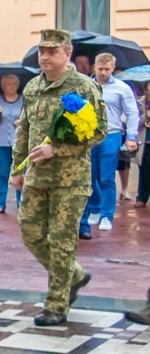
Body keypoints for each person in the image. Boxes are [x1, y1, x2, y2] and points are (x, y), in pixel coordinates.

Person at [13, 29, 105, 327]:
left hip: (71, 179)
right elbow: (23, 130)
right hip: (37, 177)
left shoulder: (83, 86)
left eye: (52, 51)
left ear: (67, 53)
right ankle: (75, 276)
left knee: (63, 240)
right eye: (42, 51)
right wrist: (17, 169)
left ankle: (56, 305)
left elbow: (99, 130)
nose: (45, 57)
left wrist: (59, 149)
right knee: (30, 232)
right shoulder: (33, 87)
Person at [80, 53, 139, 234]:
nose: (103, 72)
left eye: (107, 69)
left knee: (106, 177)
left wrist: (131, 137)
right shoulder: (85, 86)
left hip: (111, 135)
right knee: (90, 176)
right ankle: (95, 207)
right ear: (94, 67)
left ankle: (107, 214)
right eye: (100, 69)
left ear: (113, 68)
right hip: (89, 135)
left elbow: (131, 112)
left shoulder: (122, 88)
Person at [0, 74, 24, 214]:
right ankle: (0, 204)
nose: (11, 86)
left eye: (14, 84)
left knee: (20, 173)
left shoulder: (24, 100)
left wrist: (21, 122)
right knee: (3, 173)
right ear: (3, 86)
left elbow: (29, 118)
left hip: (20, 142)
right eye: (8, 84)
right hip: (2, 141)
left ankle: (21, 203)